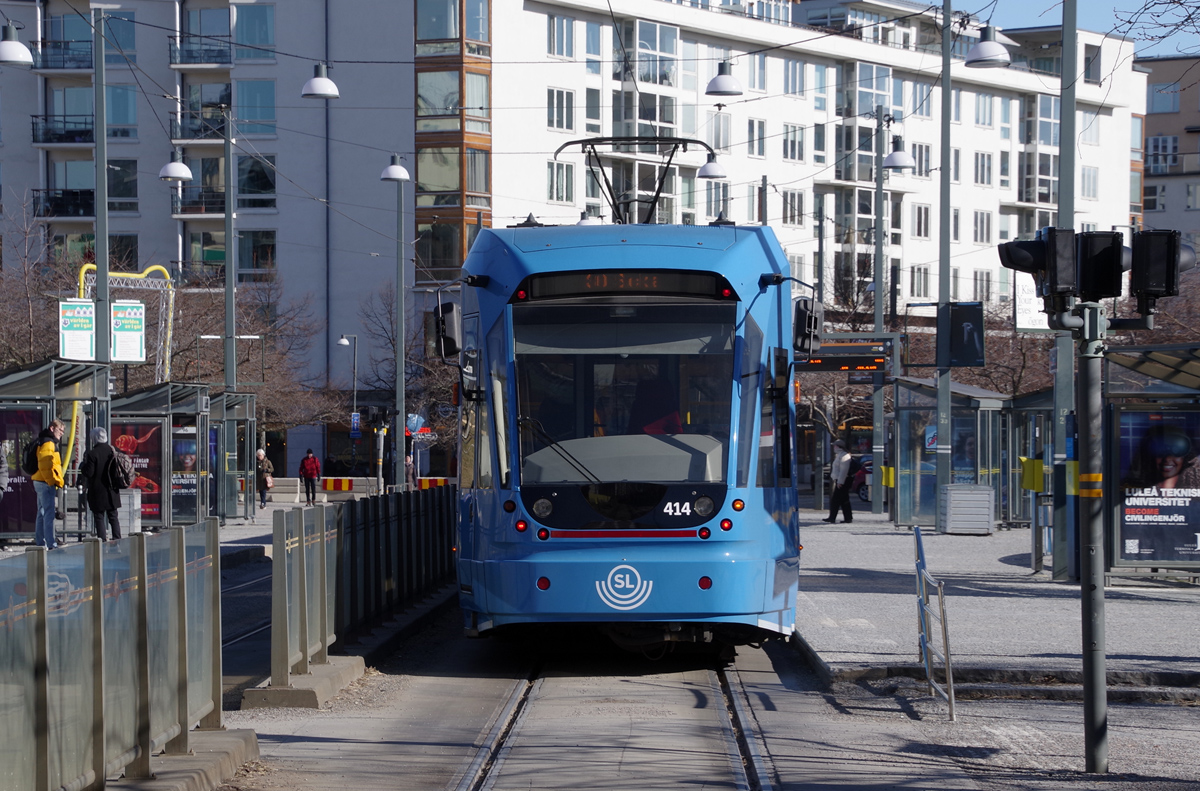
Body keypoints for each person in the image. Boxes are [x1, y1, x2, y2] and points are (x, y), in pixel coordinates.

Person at [1123, 425, 1200, 491]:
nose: (1167, 459)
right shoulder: (1129, 491)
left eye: (1176, 450)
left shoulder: (1195, 493)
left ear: (1185, 457)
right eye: (1160, 451)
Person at [79, 427, 122, 541]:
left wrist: (83, 466)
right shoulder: (113, 450)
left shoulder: (93, 454)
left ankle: (102, 542)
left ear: (94, 438)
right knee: (113, 517)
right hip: (112, 490)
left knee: (99, 517)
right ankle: (117, 541)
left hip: (97, 491)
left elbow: (89, 473)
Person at [32, 419, 65, 550]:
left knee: (41, 513)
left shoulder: (43, 440)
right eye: (60, 430)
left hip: (39, 480)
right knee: (48, 514)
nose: (62, 433)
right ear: (52, 428)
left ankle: (40, 542)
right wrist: (51, 481)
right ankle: (51, 544)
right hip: (45, 482)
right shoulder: (49, 443)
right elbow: (45, 464)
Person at [824, 439, 853, 524]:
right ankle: (848, 517)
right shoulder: (840, 455)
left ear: (839, 446)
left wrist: (840, 482)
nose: (834, 447)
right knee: (844, 500)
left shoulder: (844, 456)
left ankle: (832, 517)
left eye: (835, 445)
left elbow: (844, 470)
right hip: (842, 480)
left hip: (843, 480)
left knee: (835, 500)